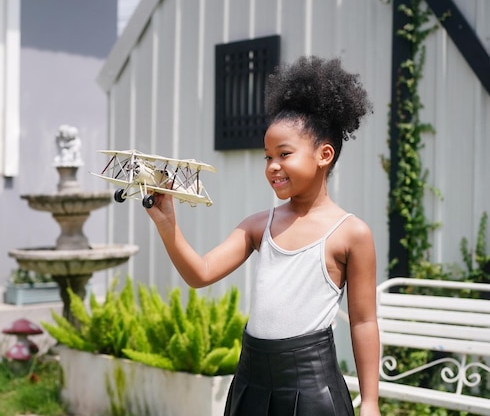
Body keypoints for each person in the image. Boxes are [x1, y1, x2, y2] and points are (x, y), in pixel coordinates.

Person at [145, 55, 380, 416]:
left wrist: (371, 404)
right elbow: (201, 273)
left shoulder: (351, 233)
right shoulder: (258, 225)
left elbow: (363, 321)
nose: (272, 167)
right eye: (267, 156)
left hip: (312, 387)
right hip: (251, 381)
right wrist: (166, 224)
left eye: (284, 154)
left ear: (324, 154)